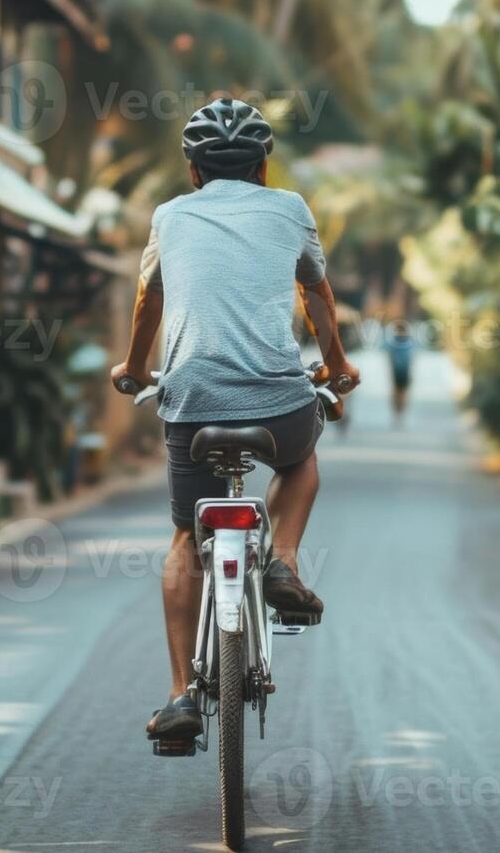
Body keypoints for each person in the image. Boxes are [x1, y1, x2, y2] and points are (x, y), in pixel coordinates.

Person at [109, 97, 359, 746]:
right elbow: (316, 296)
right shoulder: (291, 209)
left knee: (184, 541)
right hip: (279, 403)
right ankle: (280, 562)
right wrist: (335, 367)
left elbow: (149, 298)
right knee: (300, 466)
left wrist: (134, 369)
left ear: (192, 169)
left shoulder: (169, 215)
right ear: (263, 166)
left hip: (191, 405)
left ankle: (177, 697)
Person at [387, 323, 414, 427]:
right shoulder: (392, 342)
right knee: (395, 393)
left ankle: (401, 414)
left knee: (403, 393)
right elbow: (388, 356)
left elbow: (412, 359)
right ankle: (396, 414)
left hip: (405, 371)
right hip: (395, 371)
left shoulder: (409, 342)